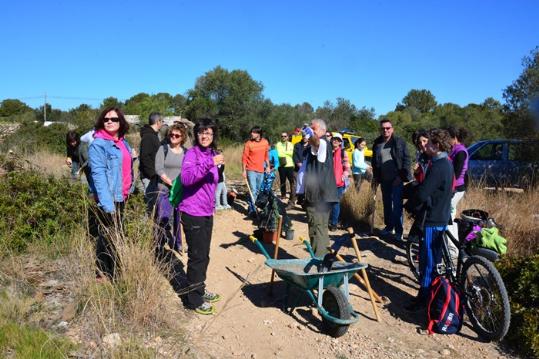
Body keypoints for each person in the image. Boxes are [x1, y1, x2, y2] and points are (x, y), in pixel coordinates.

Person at [406, 129, 454, 311]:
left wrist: (410, 204)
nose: (427, 146)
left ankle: (424, 298)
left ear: (438, 146)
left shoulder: (439, 166)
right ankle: (432, 296)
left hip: (432, 219)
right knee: (434, 259)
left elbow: (424, 192)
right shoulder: (446, 164)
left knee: (427, 262)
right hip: (441, 216)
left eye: (431, 143)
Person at [179, 118, 222, 315]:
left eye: (209, 133)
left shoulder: (214, 153)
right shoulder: (191, 154)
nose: (205, 136)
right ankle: (193, 300)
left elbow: (213, 182)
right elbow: (187, 179)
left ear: (213, 136)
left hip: (206, 211)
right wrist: (209, 163)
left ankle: (199, 289)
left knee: (204, 255)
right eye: (202, 132)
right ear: (196, 135)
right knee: (196, 257)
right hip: (192, 212)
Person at [88, 106, 134, 281]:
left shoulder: (123, 142)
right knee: (110, 234)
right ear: (101, 122)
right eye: (106, 119)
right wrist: (107, 205)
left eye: (114, 119)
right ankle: (111, 274)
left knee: (110, 233)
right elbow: (98, 176)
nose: (109, 122)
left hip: (122, 195)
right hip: (110, 197)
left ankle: (102, 271)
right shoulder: (98, 145)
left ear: (120, 122)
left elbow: (123, 166)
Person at [301, 119, 338, 257]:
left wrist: (310, 135)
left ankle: (319, 263)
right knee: (319, 228)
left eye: (313, 128)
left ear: (322, 130)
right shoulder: (315, 145)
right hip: (317, 195)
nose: (311, 131)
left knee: (317, 229)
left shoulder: (323, 143)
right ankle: (324, 261)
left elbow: (316, 142)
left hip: (320, 196)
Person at [371, 119, 411, 241]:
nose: (385, 130)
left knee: (397, 206)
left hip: (397, 180)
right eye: (383, 128)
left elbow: (406, 160)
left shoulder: (399, 142)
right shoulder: (377, 143)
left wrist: (401, 177)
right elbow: (374, 162)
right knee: (387, 204)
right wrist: (376, 178)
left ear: (392, 129)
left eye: (388, 128)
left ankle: (398, 231)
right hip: (384, 180)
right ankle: (389, 227)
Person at [154, 123, 187, 253]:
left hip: (180, 191)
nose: (173, 137)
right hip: (164, 190)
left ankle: (178, 244)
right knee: (163, 218)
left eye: (177, 135)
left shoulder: (186, 152)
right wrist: (171, 183)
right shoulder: (163, 149)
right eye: (171, 134)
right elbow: (159, 169)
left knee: (178, 219)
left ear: (182, 137)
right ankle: (159, 245)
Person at [448, 126, 470, 253]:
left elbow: (457, 172)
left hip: (457, 188)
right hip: (454, 188)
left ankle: (452, 249)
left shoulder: (460, 151)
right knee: (450, 214)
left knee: (448, 216)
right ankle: (451, 245)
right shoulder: (454, 149)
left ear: (454, 138)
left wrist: (450, 188)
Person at [242, 126, 270, 216]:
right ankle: (252, 209)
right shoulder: (248, 143)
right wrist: (244, 170)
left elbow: (266, 156)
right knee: (253, 190)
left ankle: (257, 207)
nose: (251, 134)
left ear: (258, 134)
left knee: (258, 190)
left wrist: (268, 166)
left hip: (261, 169)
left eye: (254, 132)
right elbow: (244, 158)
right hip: (251, 169)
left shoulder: (265, 142)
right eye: (251, 132)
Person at [139, 112, 163, 213]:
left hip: (154, 176)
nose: (162, 124)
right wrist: (152, 174)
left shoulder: (153, 135)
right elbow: (145, 157)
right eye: (162, 121)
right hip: (149, 177)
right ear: (158, 122)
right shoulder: (148, 136)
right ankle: (144, 227)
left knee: (153, 203)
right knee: (149, 205)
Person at [329, 133, 350, 231]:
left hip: (338, 183)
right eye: (334, 139)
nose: (335, 141)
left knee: (335, 204)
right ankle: (327, 221)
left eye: (338, 140)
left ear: (341, 142)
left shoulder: (342, 152)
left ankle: (334, 223)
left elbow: (347, 167)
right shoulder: (327, 151)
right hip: (327, 183)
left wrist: (344, 175)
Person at [275, 132, 296, 208]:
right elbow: (278, 154)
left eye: (285, 136)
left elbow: (291, 153)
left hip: (290, 165)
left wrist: (284, 153)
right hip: (281, 165)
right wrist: (286, 153)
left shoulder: (291, 144)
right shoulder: (278, 144)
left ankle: (292, 195)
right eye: (282, 136)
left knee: (291, 181)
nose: (283, 137)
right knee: (282, 181)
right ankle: (283, 195)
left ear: (287, 137)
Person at [293, 131, 309, 207]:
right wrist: (298, 162)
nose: (304, 137)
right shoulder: (297, 145)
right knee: (295, 185)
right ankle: (292, 202)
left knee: (306, 186)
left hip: (307, 170)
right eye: (303, 136)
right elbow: (294, 155)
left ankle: (304, 203)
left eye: (306, 136)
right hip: (297, 168)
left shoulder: (311, 146)